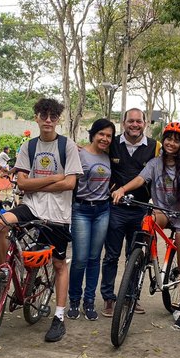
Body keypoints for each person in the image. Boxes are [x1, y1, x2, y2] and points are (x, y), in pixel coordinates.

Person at [0, 98, 82, 342]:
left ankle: (59, 316)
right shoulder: (28, 147)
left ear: (58, 119)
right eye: (44, 115)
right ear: (37, 118)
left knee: (59, 264)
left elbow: (70, 183)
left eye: (53, 116)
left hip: (58, 214)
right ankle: (3, 272)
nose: (48, 120)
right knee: (0, 224)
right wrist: (55, 178)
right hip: (31, 207)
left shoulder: (67, 146)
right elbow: (22, 183)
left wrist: (36, 183)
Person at [111, 122, 180, 330]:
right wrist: (122, 190)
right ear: (163, 140)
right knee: (148, 220)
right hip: (163, 211)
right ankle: (146, 256)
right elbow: (140, 179)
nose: (171, 143)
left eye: (176, 141)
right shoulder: (154, 163)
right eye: (169, 138)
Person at [100, 108, 159, 318]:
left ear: (145, 123)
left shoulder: (155, 147)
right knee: (111, 256)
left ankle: (130, 296)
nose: (135, 125)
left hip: (141, 210)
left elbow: (171, 162)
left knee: (135, 256)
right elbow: (94, 153)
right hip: (116, 209)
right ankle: (108, 297)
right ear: (123, 123)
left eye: (138, 121)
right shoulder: (112, 143)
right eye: (130, 121)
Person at [67, 118, 114, 321]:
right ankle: (74, 300)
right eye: (101, 134)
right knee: (80, 259)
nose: (105, 138)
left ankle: (89, 301)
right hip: (81, 210)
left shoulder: (109, 156)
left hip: (103, 210)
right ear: (93, 134)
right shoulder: (79, 154)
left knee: (95, 258)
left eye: (109, 136)